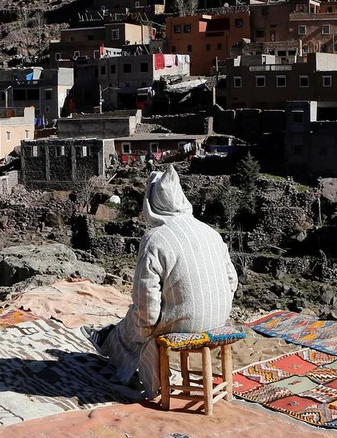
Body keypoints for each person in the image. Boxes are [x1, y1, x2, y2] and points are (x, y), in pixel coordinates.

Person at [98, 166, 238, 397]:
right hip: (220, 317)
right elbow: (231, 280)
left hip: (185, 324)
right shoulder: (211, 232)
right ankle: (109, 338)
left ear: (151, 202)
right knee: (140, 321)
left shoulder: (155, 239)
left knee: (132, 325)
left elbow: (146, 296)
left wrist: (144, 328)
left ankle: (111, 349)